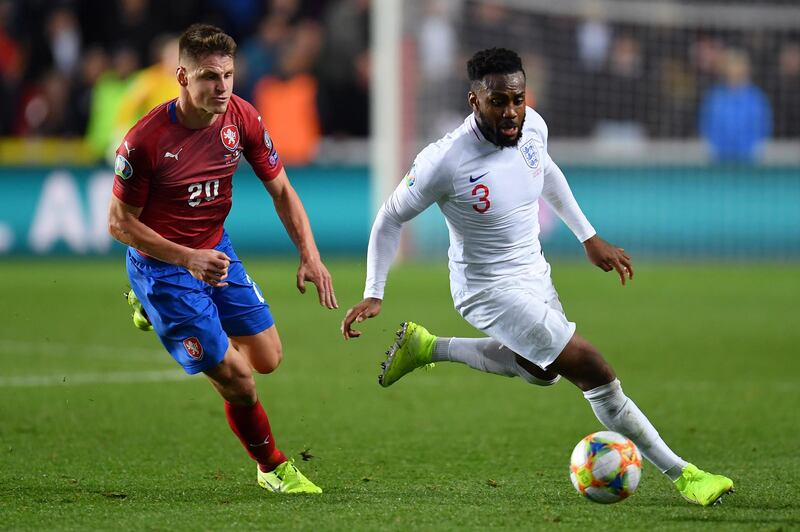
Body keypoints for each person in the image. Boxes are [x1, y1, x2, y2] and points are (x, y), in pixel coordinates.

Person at [341, 48, 734, 507]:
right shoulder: (443, 161)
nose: (511, 112)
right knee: (592, 368)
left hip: (535, 275)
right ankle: (685, 475)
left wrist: (588, 237)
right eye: (499, 102)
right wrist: (374, 291)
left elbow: (545, 171)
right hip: (487, 289)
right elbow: (389, 218)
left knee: (541, 371)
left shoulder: (533, 127)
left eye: (518, 99)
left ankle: (428, 347)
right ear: (475, 101)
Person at [108, 24, 337, 494]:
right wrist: (187, 259)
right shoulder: (144, 141)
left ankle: (168, 317)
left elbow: (283, 192)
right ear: (181, 77)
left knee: (268, 358)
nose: (222, 87)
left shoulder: (242, 118)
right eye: (210, 77)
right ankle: (272, 467)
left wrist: (308, 255)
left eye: (229, 75)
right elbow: (119, 224)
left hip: (215, 252)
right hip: (163, 267)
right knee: (239, 378)